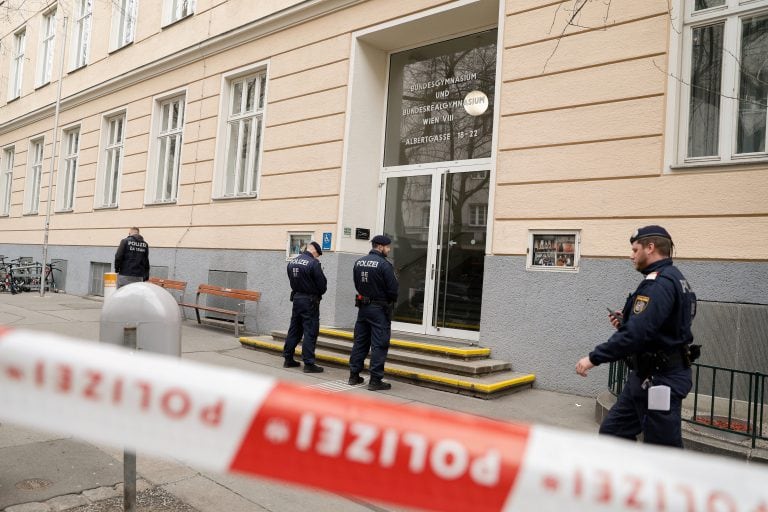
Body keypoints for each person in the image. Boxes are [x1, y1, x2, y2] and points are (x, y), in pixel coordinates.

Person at [575, 225, 699, 447]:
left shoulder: (659, 284)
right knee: (614, 431)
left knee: (662, 451)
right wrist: (628, 321)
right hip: (644, 377)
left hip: (661, 381)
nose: (631, 255)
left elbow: (637, 333)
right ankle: (627, 479)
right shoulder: (675, 278)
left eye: (635, 249)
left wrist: (594, 358)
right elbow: (661, 325)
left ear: (650, 248)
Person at [348, 235, 399, 391]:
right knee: (379, 344)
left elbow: (357, 284)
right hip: (379, 309)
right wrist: (389, 302)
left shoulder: (359, 262)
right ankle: (375, 380)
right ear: (380, 246)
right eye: (388, 247)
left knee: (360, 342)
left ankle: (354, 375)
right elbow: (393, 289)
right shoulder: (384, 265)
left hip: (363, 308)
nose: (389, 250)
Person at [282, 241, 327, 373]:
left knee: (294, 329)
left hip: (297, 299)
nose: (317, 257)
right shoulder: (313, 263)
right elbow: (322, 286)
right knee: (310, 331)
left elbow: (291, 280)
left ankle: (288, 358)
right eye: (317, 254)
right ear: (314, 251)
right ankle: (309, 363)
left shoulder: (292, 262)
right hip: (310, 301)